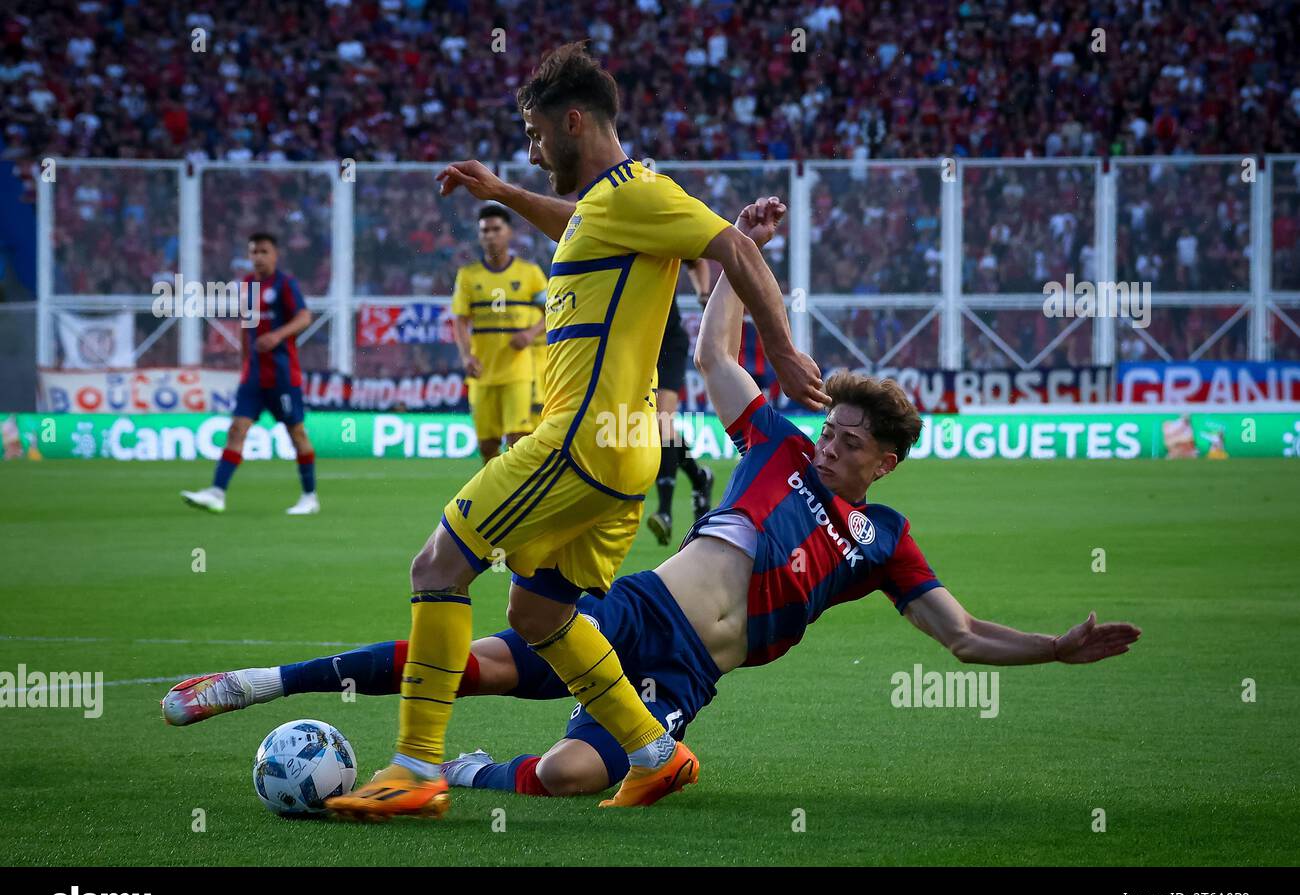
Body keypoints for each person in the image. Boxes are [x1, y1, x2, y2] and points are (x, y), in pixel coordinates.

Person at [164, 197, 1140, 802]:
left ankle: (461, 772)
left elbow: (962, 635)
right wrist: (729, 262)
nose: (832, 440)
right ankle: (262, 680)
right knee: (480, 665)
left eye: (850, 439)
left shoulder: (885, 540)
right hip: (636, 607)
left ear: (883, 460)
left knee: (573, 775)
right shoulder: (776, 443)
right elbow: (717, 356)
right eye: (831, 426)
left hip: (688, 677)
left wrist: (1053, 646)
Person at [323, 42, 828, 819]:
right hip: (623, 457)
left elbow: (729, 247)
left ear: (575, 120)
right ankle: (655, 754)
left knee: (437, 566)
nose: (531, 148)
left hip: (578, 443)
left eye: (534, 133)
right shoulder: (616, 203)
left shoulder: (638, 189)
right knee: (539, 615)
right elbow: (581, 220)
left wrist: (785, 353)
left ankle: (416, 766)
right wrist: (503, 189)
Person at [181, 232, 319, 515]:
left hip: (282, 376)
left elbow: (304, 317)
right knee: (237, 429)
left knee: (296, 434)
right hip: (254, 376)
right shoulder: (246, 286)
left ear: (275, 255)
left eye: (263, 251)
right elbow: (247, 326)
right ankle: (217, 493)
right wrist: (245, 362)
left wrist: (278, 335)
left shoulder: (285, 284)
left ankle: (309, 497)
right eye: (253, 252)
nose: (257, 257)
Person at [450, 205, 548, 462]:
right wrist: (465, 357)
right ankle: (492, 497)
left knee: (518, 440)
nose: (490, 236)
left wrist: (530, 333)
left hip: (518, 371)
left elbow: (553, 310)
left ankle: (518, 498)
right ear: (479, 236)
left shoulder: (530, 273)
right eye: (485, 231)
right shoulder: (468, 276)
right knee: (487, 445)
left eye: (496, 229)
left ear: (509, 233)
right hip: (482, 371)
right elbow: (460, 321)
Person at [647, 259, 716, 545]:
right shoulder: (612, 228)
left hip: (667, 341)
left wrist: (703, 293)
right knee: (652, 427)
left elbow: (696, 260)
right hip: (633, 343)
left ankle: (664, 511)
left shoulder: (663, 227)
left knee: (662, 422)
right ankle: (700, 478)